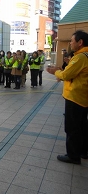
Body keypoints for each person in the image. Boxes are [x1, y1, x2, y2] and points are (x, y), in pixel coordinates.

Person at [47, 30, 88, 164]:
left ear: (80, 42)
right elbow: (71, 73)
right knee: (82, 126)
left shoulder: (80, 57)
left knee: (72, 127)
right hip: (82, 97)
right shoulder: (83, 56)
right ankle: (83, 151)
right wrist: (63, 71)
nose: (70, 43)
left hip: (75, 97)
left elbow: (66, 75)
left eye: (72, 41)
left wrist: (55, 71)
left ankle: (73, 156)